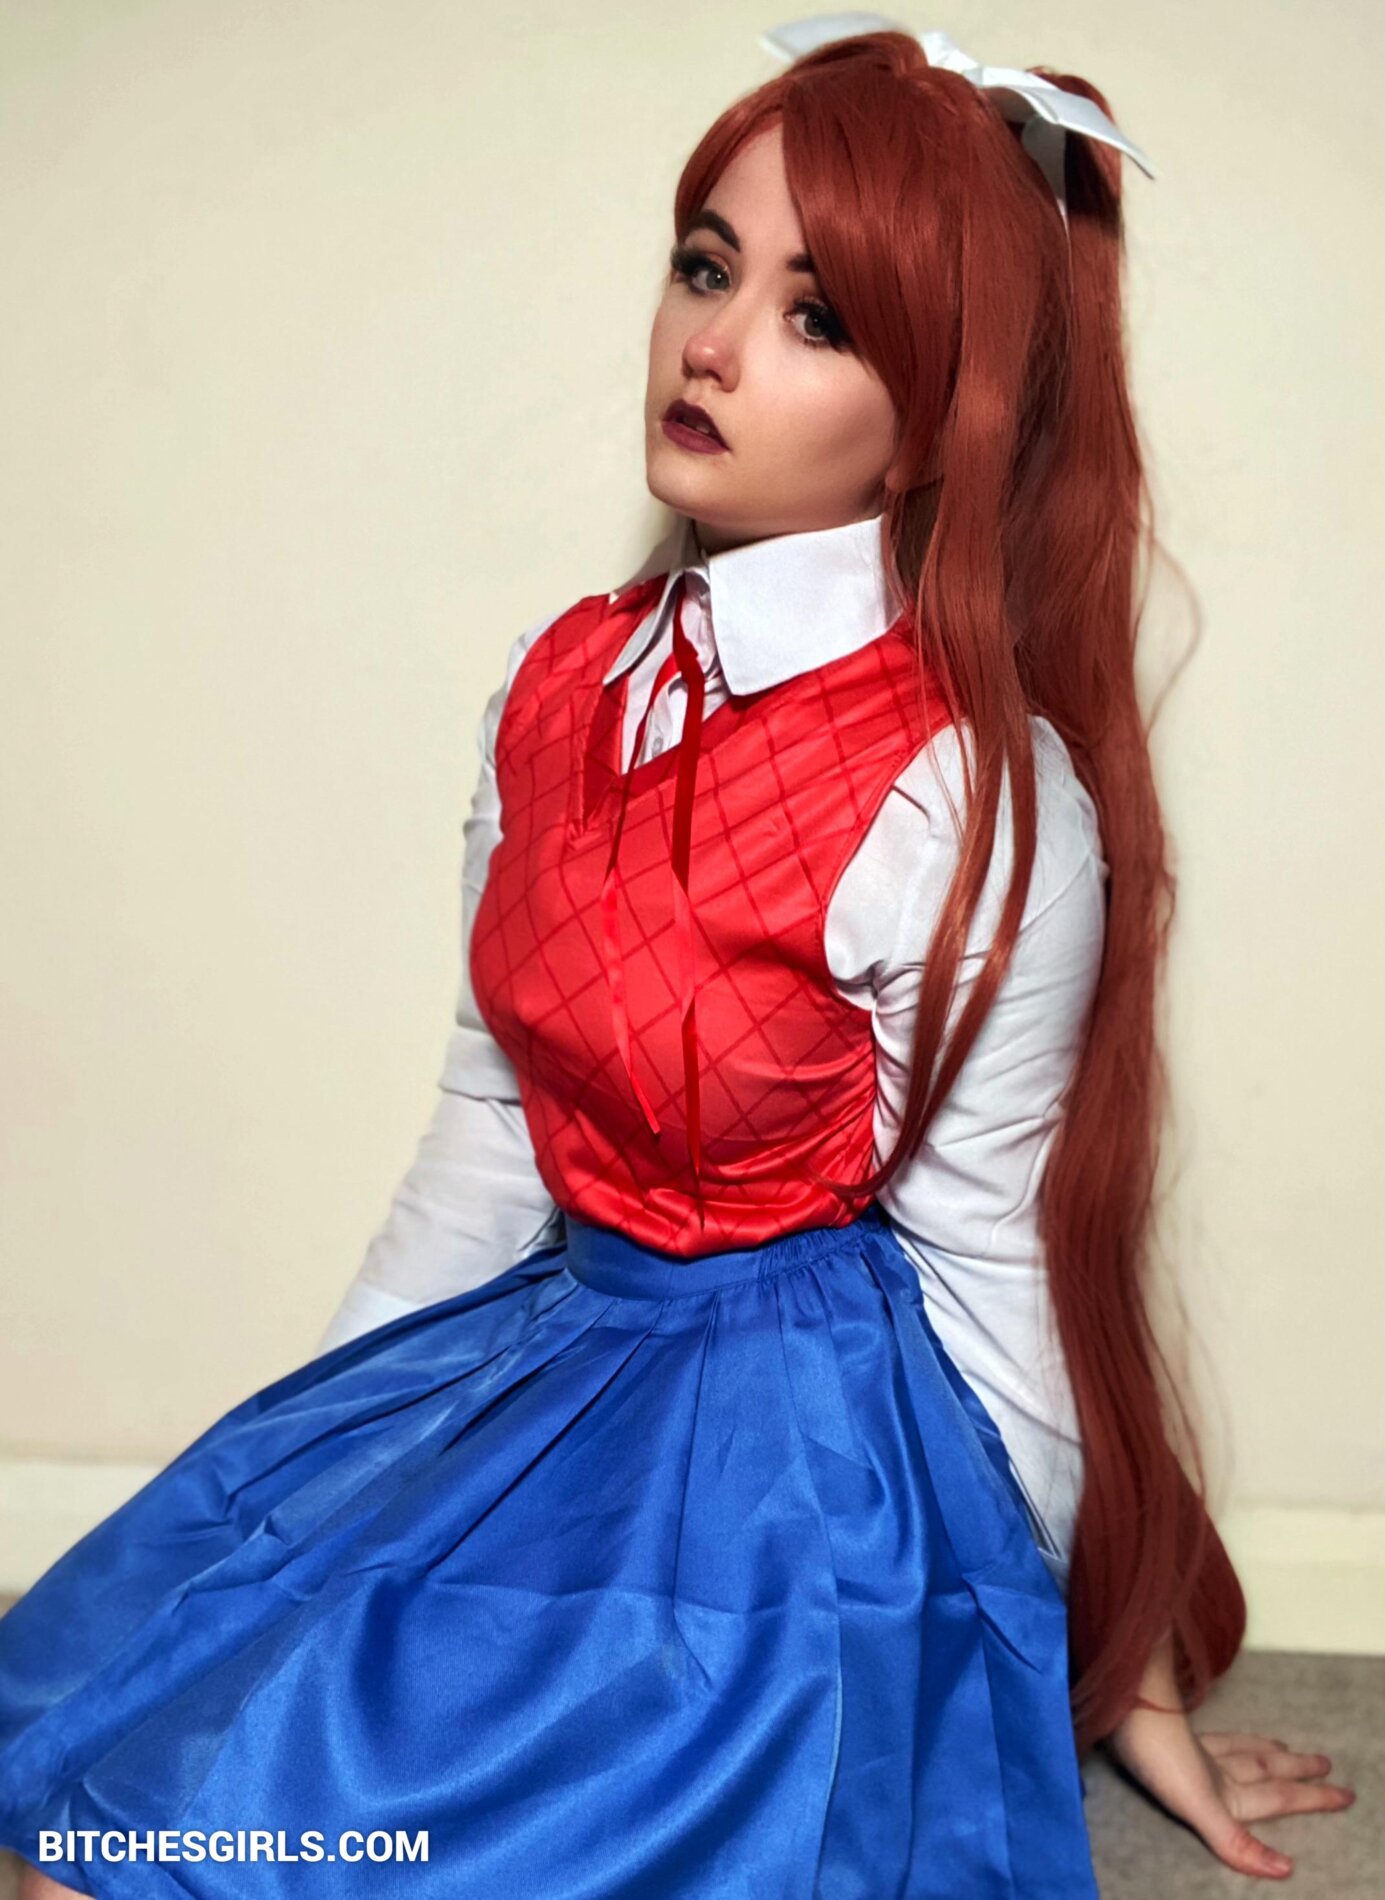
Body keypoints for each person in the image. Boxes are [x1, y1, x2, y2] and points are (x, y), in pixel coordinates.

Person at [0, 21, 1355, 1898]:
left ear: (939, 412)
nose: (710, 344)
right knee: (106, 1807)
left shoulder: (969, 794)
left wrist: (1050, 1668)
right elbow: (493, 1119)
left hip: (796, 1474)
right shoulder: (559, 682)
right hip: (561, 1352)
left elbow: (993, 1269)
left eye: (819, 317)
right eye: (705, 267)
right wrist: (323, 1484)